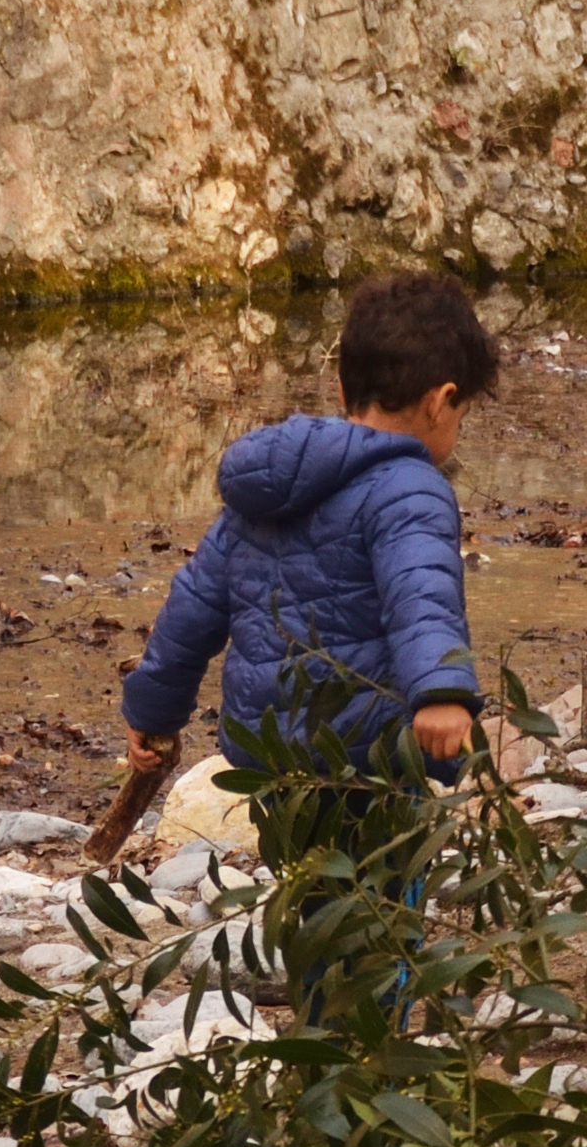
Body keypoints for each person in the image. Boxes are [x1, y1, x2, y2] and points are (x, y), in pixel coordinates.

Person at [123, 271, 498, 793]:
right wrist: (441, 691)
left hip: (268, 755)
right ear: (441, 401)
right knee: (383, 874)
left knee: (303, 868)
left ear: (342, 389)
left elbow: (192, 608)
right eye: (461, 414)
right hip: (368, 758)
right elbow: (421, 597)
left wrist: (153, 710)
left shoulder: (270, 482)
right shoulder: (412, 486)